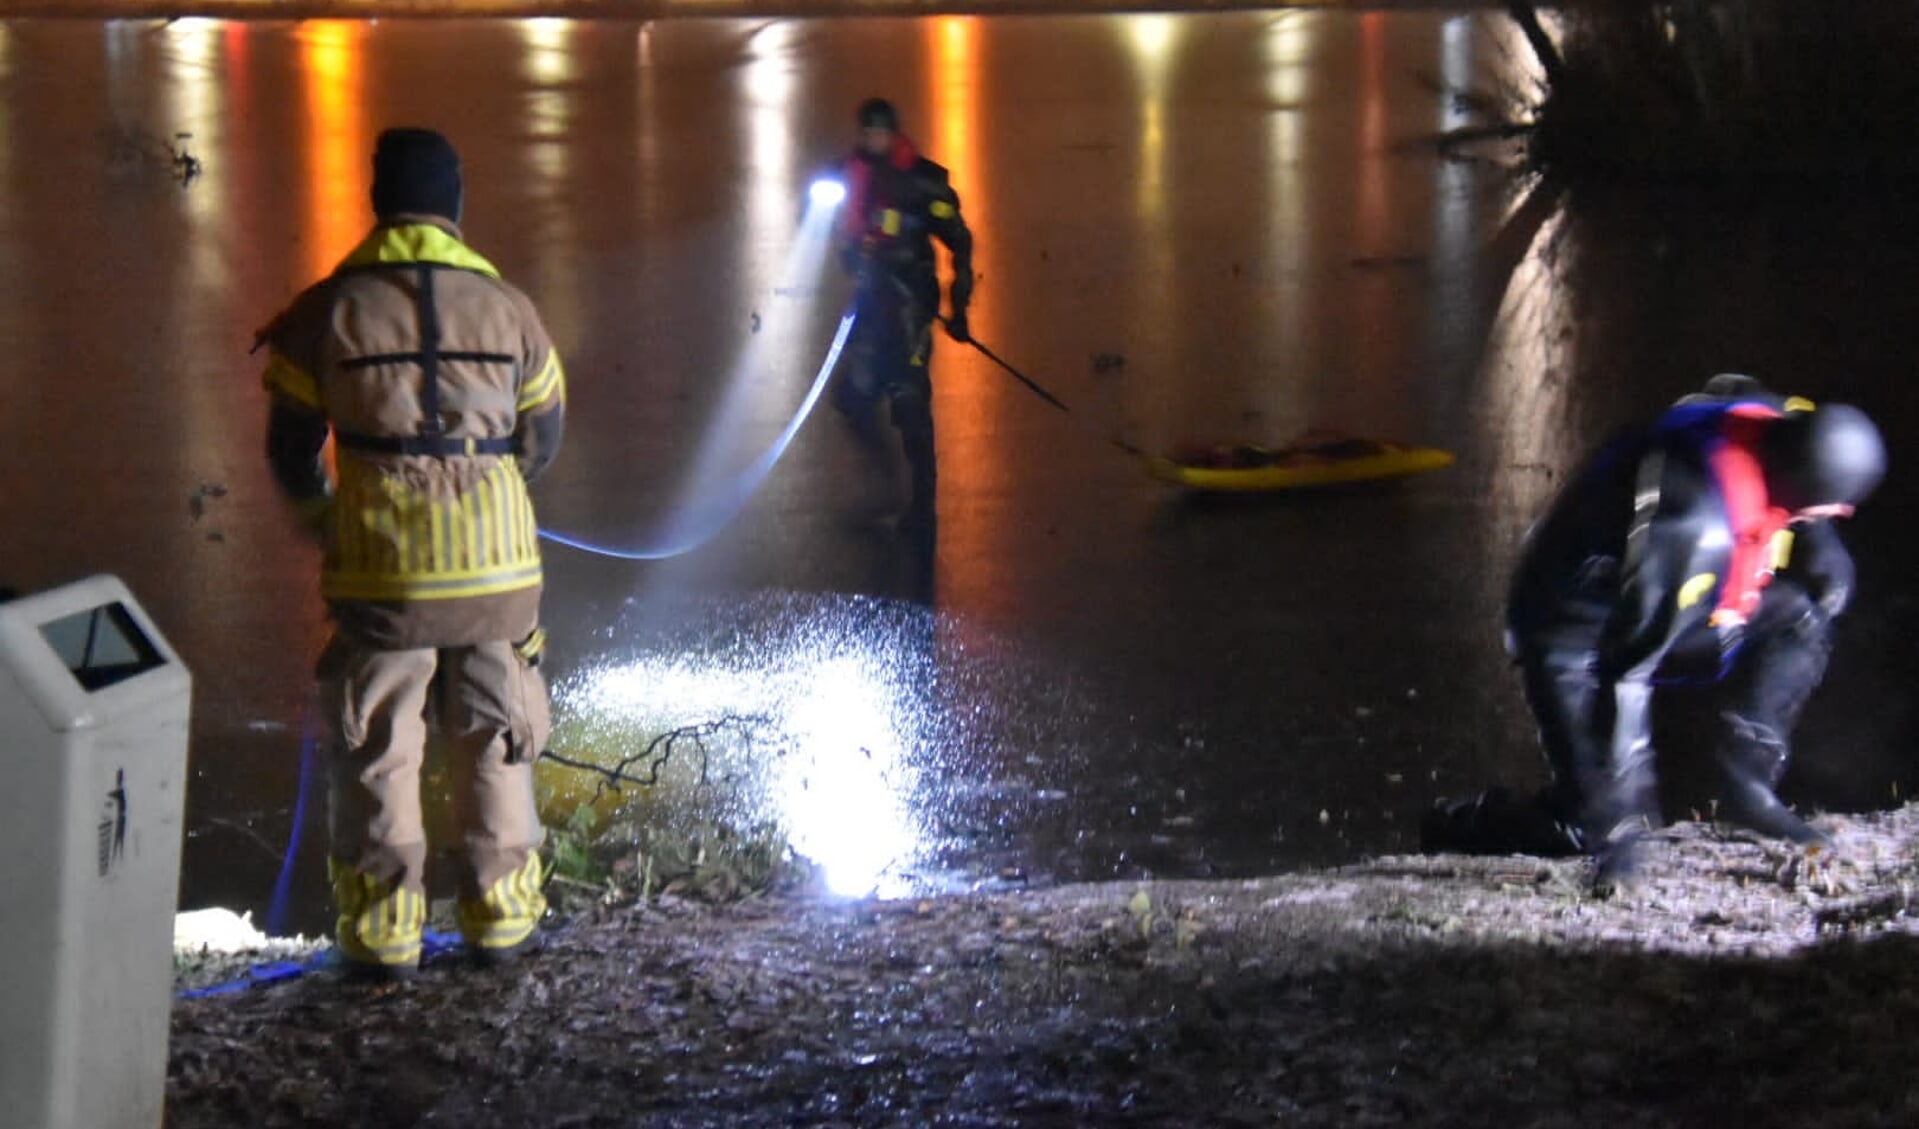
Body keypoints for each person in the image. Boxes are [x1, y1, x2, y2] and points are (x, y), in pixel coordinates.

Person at [256, 128, 567, 977]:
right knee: (497, 734)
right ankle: (501, 920)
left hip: (383, 571)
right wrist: (494, 490)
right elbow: (544, 432)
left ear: (377, 201)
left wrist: (327, 517)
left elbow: (289, 446)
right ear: (455, 204)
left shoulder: (328, 309)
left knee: (379, 750)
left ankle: (383, 936)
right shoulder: (508, 307)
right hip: (499, 573)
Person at [1422, 376, 1885, 895]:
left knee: (1800, 617)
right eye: (1833, 508)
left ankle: (1746, 787)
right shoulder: (1691, 526)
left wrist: (1819, 536)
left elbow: (1726, 387)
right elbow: (1627, 673)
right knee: (1591, 819)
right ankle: (1458, 824)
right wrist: (1625, 833)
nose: (1838, 515)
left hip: (1664, 596)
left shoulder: (1773, 415)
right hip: (1576, 638)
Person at [830, 97, 974, 527]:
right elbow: (835, 226)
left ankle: (922, 505)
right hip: (872, 305)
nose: (873, 140)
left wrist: (958, 305)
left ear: (894, 134)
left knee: (910, 402)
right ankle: (886, 478)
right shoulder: (851, 176)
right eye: (867, 133)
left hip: (910, 306)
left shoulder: (921, 183)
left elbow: (959, 240)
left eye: (880, 133)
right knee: (852, 397)